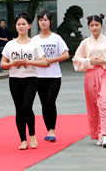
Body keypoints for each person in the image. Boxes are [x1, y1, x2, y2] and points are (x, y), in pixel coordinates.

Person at [72, 14, 106, 148]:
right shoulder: (85, 43)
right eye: (92, 25)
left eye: (97, 25)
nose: (94, 28)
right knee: (94, 106)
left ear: (101, 26)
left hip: (105, 74)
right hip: (91, 75)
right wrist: (89, 61)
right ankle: (99, 133)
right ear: (88, 27)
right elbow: (76, 59)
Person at [0, 12, 48, 150]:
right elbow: (2, 64)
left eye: (24, 24)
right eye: (18, 24)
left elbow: (44, 62)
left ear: (29, 25)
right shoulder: (10, 44)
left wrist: (30, 61)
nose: (21, 26)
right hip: (15, 79)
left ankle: (32, 134)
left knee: (27, 107)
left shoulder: (35, 43)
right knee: (19, 109)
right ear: (15, 26)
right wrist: (11, 63)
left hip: (30, 79)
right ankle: (23, 139)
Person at [32, 10, 69, 142]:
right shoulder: (34, 40)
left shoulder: (56, 38)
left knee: (50, 101)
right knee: (44, 103)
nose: (43, 22)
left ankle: (52, 130)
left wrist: (51, 60)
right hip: (38, 77)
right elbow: (32, 57)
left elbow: (66, 54)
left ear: (50, 22)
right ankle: (48, 129)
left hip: (54, 76)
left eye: (46, 20)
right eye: (41, 20)